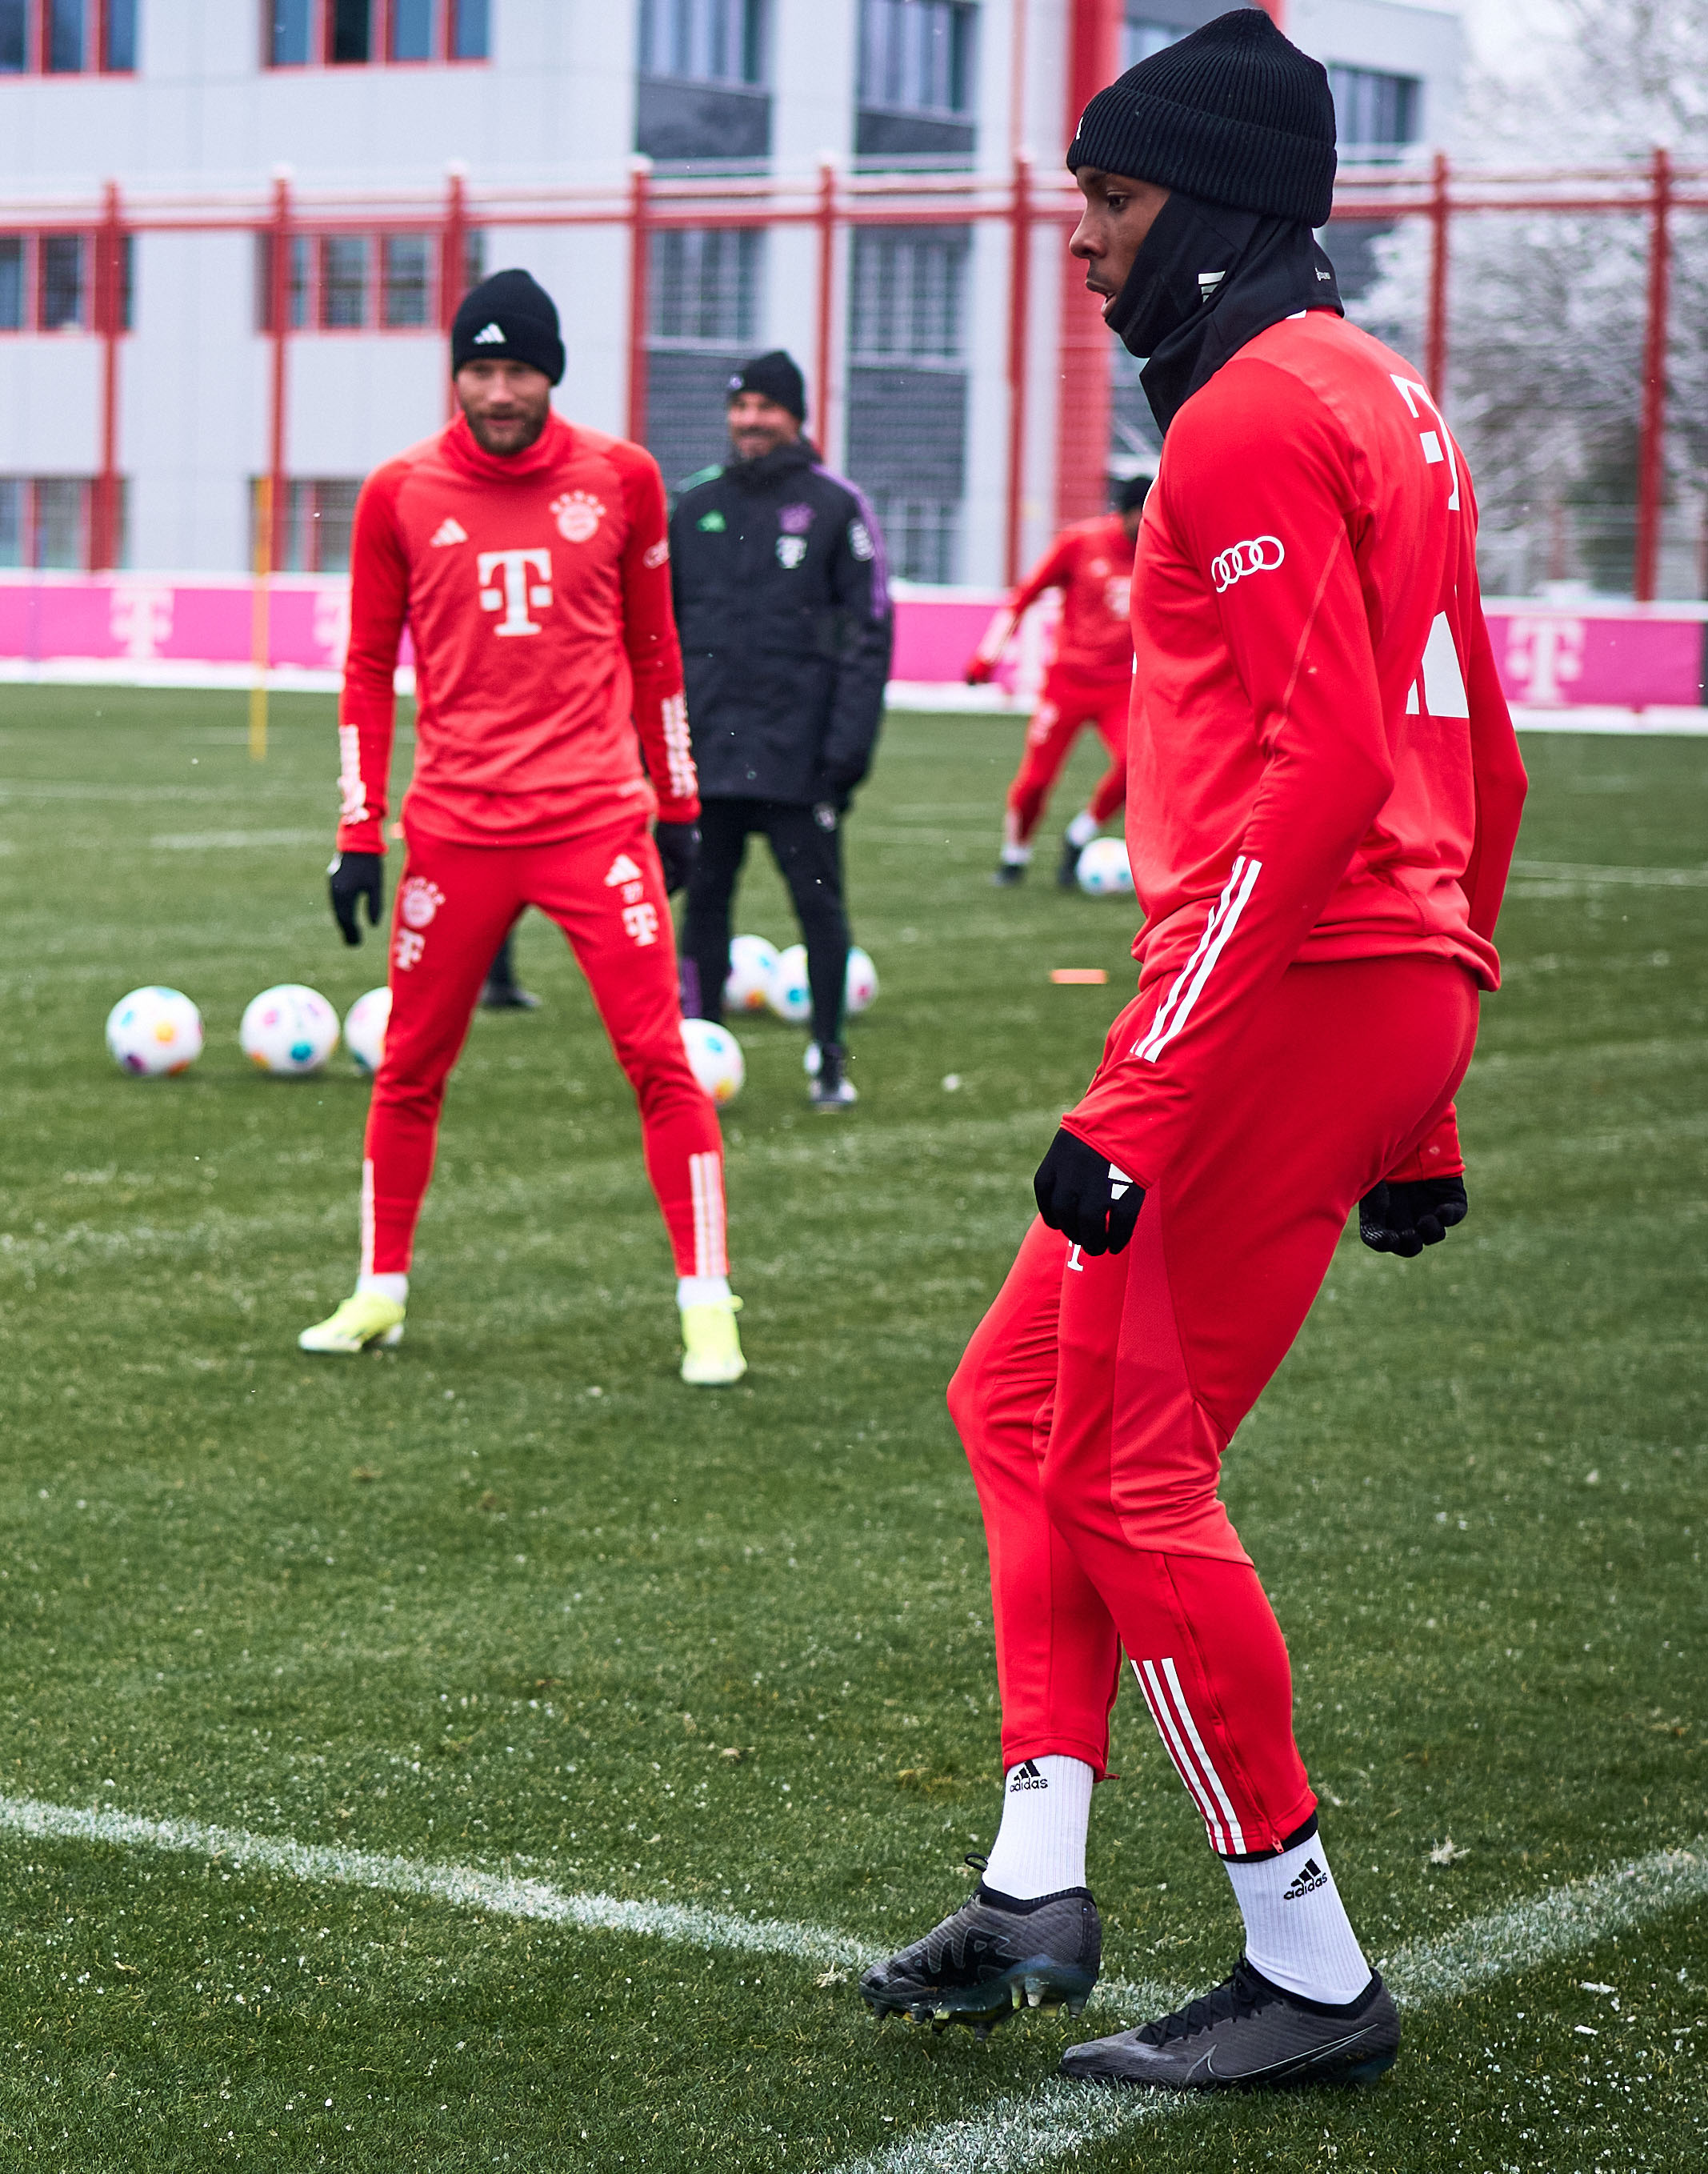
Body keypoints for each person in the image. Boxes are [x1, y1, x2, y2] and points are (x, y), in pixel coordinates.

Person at [858, 9, 1521, 2091]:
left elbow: (1320, 771)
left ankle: (1304, 1966)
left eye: (1111, 199)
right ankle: (1034, 1873)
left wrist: (1133, 1088)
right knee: (1011, 1397)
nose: (1077, 239)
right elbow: (1471, 756)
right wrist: (1419, 1092)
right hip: (1370, 980)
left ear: (1217, 210)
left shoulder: (1242, 416)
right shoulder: (1382, 399)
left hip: (1283, 974)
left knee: (1129, 1471)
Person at [303, 268, 743, 1387]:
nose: (497, 392)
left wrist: (675, 798)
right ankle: (377, 1291)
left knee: (658, 1061)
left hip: (595, 821)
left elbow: (655, 651)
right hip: (452, 829)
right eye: (479, 369)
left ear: (550, 373)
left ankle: (705, 1305)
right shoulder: (395, 491)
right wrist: (358, 833)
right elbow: (362, 669)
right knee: (407, 1065)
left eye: (517, 370)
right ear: (454, 374)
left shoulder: (622, 479)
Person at [667, 350, 891, 1112]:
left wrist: (844, 754)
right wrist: (660, 748)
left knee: (819, 909)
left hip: (803, 761)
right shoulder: (693, 505)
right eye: (740, 406)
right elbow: (652, 634)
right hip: (708, 753)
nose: (750, 420)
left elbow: (869, 635)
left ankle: (829, 1056)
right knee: (702, 906)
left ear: (795, 416)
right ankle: (696, 1050)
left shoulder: (835, 506)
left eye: (766, 406)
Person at [972, 474, 1149, 889]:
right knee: (1036, 780)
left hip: (1122, 686)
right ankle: (1015, 857)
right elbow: (1025, 595)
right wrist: (986, 657)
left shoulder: (1162, 550)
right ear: (1125, 512)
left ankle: (1080, 836)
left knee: (1135, 766)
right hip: (1067, 684)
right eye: (1143, 514)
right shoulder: (1079, 543)